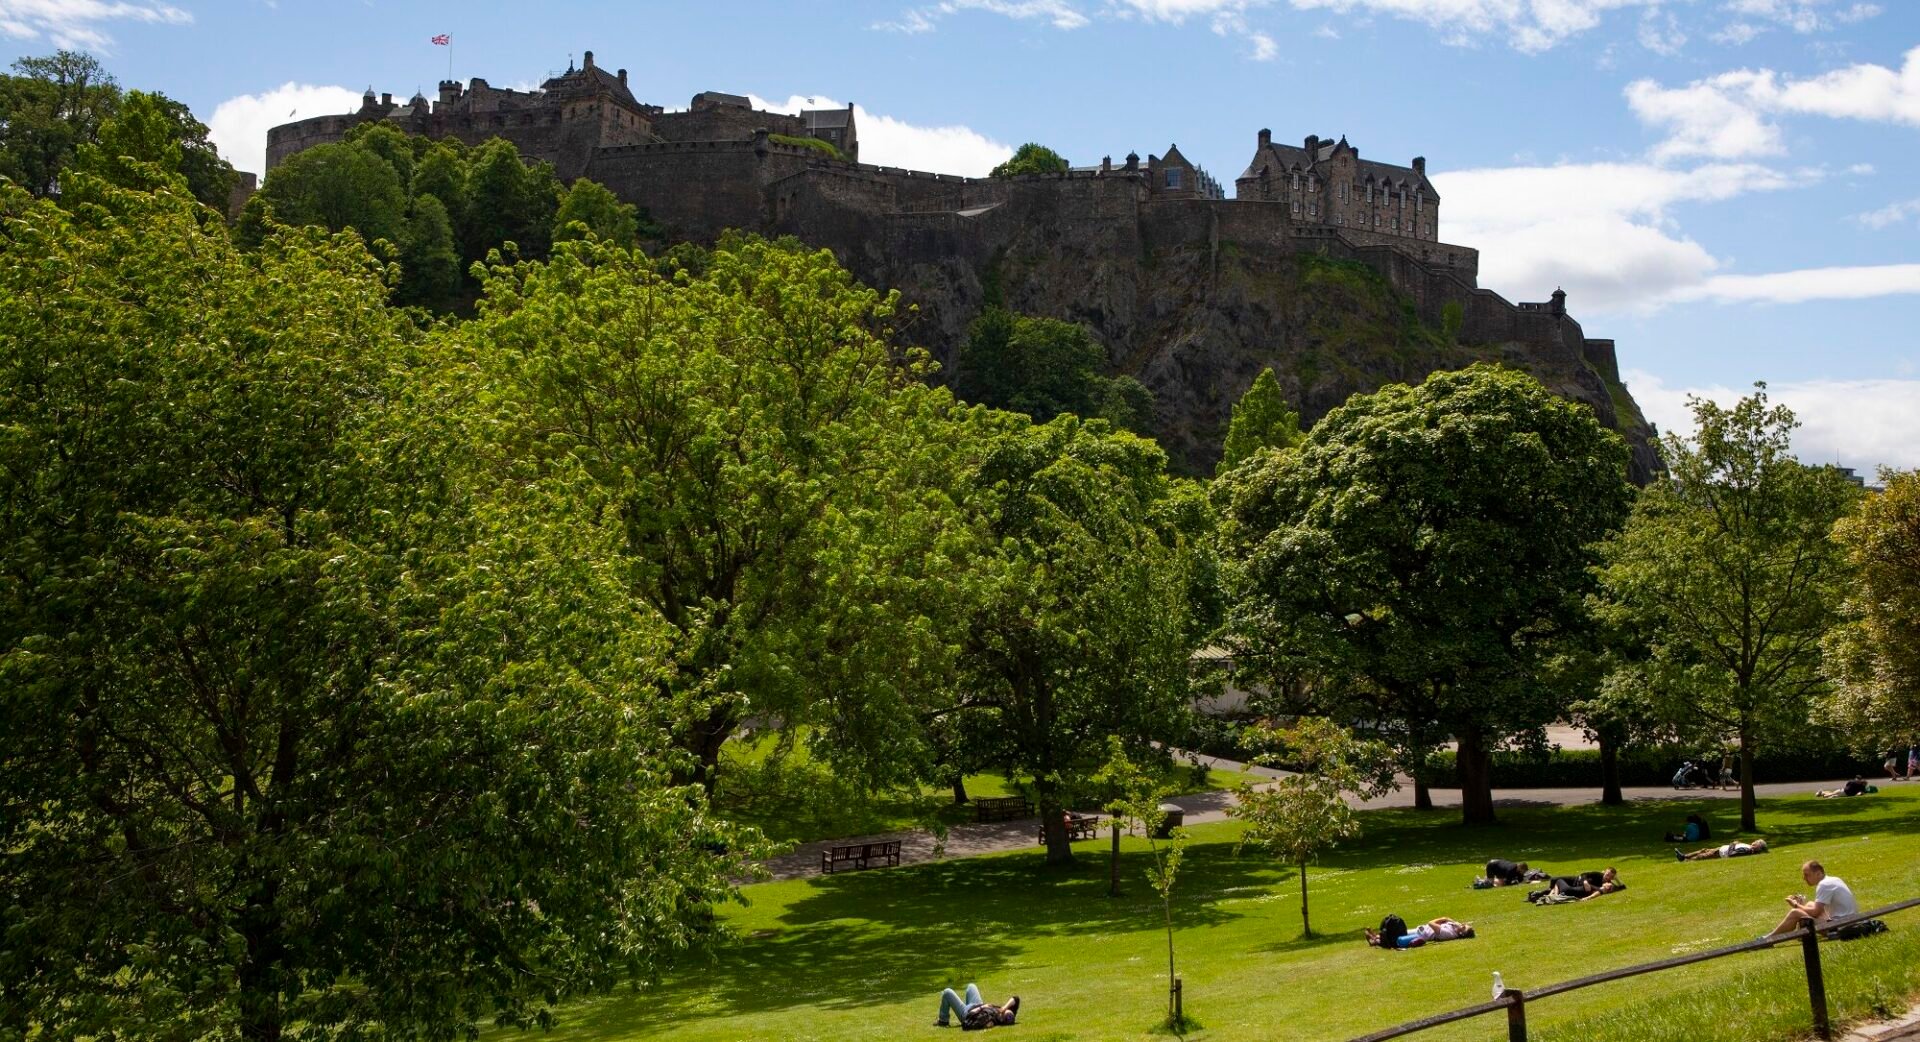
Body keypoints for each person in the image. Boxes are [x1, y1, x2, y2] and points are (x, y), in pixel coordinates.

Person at [1764, 860, 1858, 938]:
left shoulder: (1824, 885)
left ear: (1818, 873)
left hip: (1841, 927)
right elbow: (1817, 909)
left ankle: (1769, 939)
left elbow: (1815, 912)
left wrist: (1796, 905)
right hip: (1850, 920)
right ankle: (1801, 933)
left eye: (1807, 875)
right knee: (1809, 904)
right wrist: (1802, 905)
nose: (1804, 878)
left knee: (1795, 912)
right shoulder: (1833, 879)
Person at [935, 984, 1019, 1029]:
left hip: (966, 1012)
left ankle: (943, 1021)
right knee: (971, 986)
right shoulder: (1003, 1010)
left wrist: (982, 1007)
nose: (1009, 1012)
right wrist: (1004, 1007)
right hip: (976, 1003)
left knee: (947, 992)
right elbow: (1015, 999)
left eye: (1008, 1014)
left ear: (1002, 1019)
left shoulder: (991, 1019)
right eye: (1011, 1012)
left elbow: (971, 1016)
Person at [1530, 867, 1624, 903]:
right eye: (1606, 874)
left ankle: (1549, 895)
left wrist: (1617, 879)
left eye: (1610, 876)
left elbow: (1622, 887)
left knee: (1558, 881)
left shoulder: (1605, 886)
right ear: (1604, 872)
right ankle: (1548, 894)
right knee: (1555, 879)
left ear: (1611, 879)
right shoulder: (1597, 875)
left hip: (1575, 888)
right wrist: (1585, 882)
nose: (1607, 877)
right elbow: (1584, 875)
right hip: (1577, 880)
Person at [1366, 917, 1476, 948]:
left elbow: (1431, 923)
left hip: (1419, 935)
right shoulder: (1455, 927)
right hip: (1420, 930)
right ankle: (1376, 937)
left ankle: (1375, 940)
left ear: (1462, 934)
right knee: (1394, 934)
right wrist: (1450, 921)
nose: (1461, 925)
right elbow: (1448, 919)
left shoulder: (1449, 934)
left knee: (1394, 939)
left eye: (1463, 927)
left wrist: (1442, 918)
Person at [1677, 838, 1769, 861]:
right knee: (1703, 850)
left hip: (1722, 852)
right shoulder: (1749, 847)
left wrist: (1733, 844)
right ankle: (1684, 856)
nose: (1755, 841)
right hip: (1721, 849)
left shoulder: (1748, 850)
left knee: (1701, 856)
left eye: (1757, 842)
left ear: (1758, 847)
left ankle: (1686, 860)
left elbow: (1731, 854)